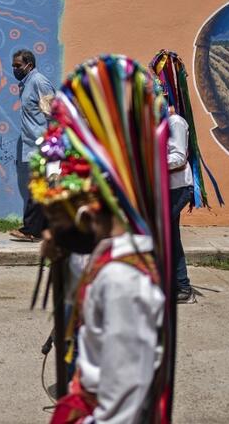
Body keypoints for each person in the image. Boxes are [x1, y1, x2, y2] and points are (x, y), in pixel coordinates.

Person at [31, 55, 173, 424]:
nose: (49, 232)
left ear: (88, 212)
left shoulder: (123, 281)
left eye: (57, 219)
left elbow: (120, 412)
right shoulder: (107, 261)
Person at [151, 50, 223, 305]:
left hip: (177, 187)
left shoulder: (176, 123)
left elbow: (178, 157)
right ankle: (174, 285)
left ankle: (180, 286)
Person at [10, 48, 55, 242]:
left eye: (18, 66)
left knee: (35, 188)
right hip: (32, 145)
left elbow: (53, 111)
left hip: (41, 145)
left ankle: (30, 229)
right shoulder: (27, 84)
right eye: (13, 66)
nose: (15, 69)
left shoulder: (38, 82)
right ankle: (41, 228)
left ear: (29, 64)